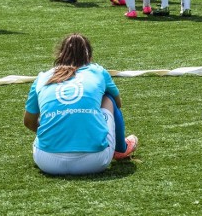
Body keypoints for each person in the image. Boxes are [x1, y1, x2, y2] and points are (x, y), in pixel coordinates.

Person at [24, 33, 138, 176]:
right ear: (89, 56)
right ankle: (122, 149)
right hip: (94, 161)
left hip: (47, 162)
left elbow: (28, 122)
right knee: (108, 98)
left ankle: (56, 140)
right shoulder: (98, 71)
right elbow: (118, 103)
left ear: (60, 54)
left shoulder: (43, 77)